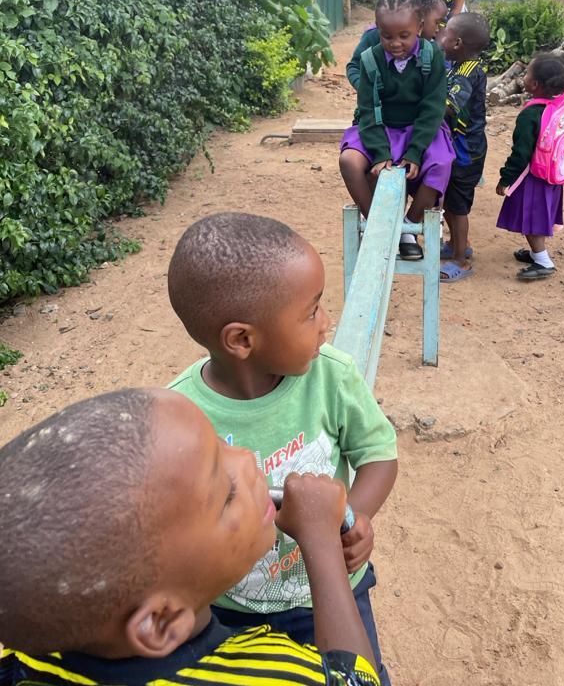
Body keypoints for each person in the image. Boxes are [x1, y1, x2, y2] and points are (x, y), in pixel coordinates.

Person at [0, 388, 381, 686]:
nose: (249, 460)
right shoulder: (276, 673)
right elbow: (355, 678)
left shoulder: (28, 659)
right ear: (162, 622)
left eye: (223, 447)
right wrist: (321, 541)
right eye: (226, 494)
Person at [167, 213, 397, 684]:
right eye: (311, 312)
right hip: (232, 612)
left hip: (334, 591)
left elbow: (378, 454)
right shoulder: (180, 418)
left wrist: (351, 518)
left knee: (355, 674)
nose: (326, 324)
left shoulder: (331, 376)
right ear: (242, 339)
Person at [339, 0, 454, 261]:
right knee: (349, 162)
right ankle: (379, 226)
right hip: (380, 127)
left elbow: (433, 107)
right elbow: (368, 110)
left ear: (420, 26)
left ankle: (408, 230)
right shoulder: (370, 60)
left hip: (420, 128)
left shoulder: (432, 56)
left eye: (404, 35)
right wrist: (380, 153)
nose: (395, 43)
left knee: (442, 163)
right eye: (386, 36)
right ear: (377, 29)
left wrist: (415, 151)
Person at [496, 52, 564, 281]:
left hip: (532, 178)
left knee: (531, 218)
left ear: (534, 84)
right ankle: (535, 252)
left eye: (527, 73)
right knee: (538, 215)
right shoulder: (562, 104)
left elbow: (520, 153)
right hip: (551, 175)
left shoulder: (531, 114)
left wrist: (506, 179)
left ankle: (543, 261)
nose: (524, 76)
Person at [438, 12, 491, 282]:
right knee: (449, 199)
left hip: (465, 150)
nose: (440, 37)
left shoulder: (467, 73)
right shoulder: (457, 66)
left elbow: (450, 106)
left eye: (444, 33)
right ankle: (457, 244)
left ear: (457, 43)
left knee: (458, 206)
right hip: (460, 146)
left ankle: (461, 259)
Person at [346, 0, 448, 90]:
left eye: (404, 36)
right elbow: (354, 67)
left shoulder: (430, 50)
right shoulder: (374, 37)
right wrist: (366, 90)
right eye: (436, 22)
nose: (437, 30)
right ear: (420, 17)